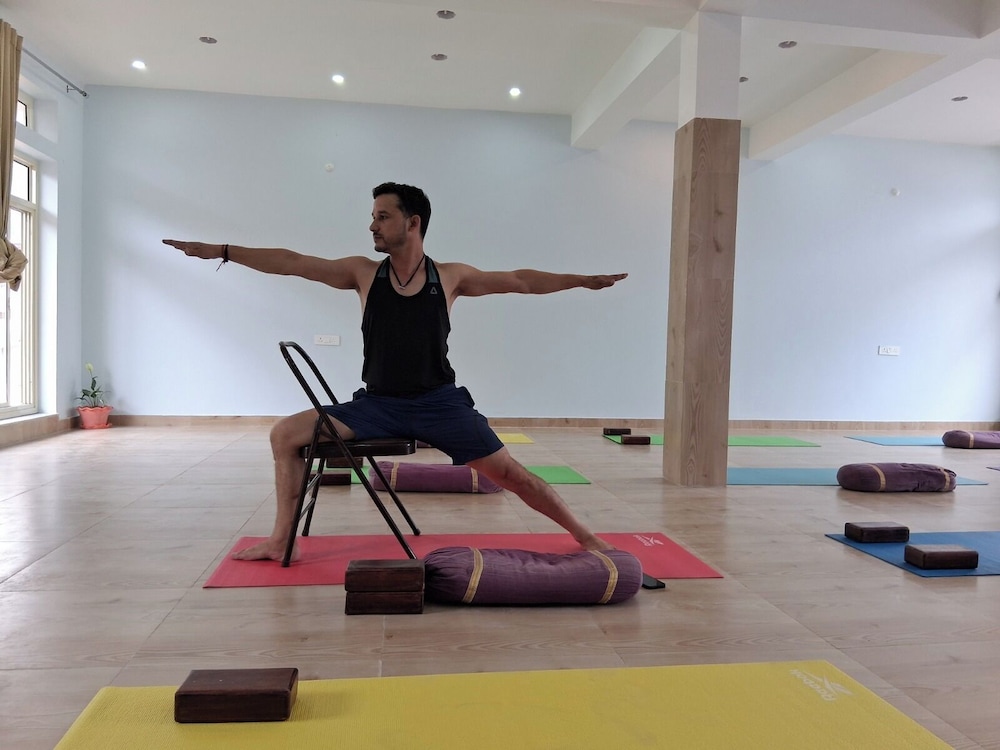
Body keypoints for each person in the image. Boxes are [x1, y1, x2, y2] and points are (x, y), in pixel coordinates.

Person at [163, 182, 627, 562]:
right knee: (284, 435)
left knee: (513, 475)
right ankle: (283, 540)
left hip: (439, 404)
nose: (372, 226)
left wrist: (580, 281)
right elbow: (293, 263)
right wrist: (222, 251)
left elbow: (521, 280)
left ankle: (584, 534)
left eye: (382, 217)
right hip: (378, 405)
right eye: (373, 217)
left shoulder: (450, 277)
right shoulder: (364, 274)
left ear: (413, 222)